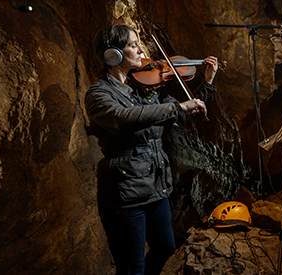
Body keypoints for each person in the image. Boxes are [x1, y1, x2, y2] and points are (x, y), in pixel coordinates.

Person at [85, 23, 220, 275]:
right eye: (133, 45)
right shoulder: (98, 94)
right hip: (125, 194)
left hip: (156, 187)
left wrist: (207, 84)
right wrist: (178, 108)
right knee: (131, 266)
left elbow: (183, 112)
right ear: (112, 54)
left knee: (166, 248)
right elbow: (122, 118)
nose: (140, 50)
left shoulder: (145, 91)